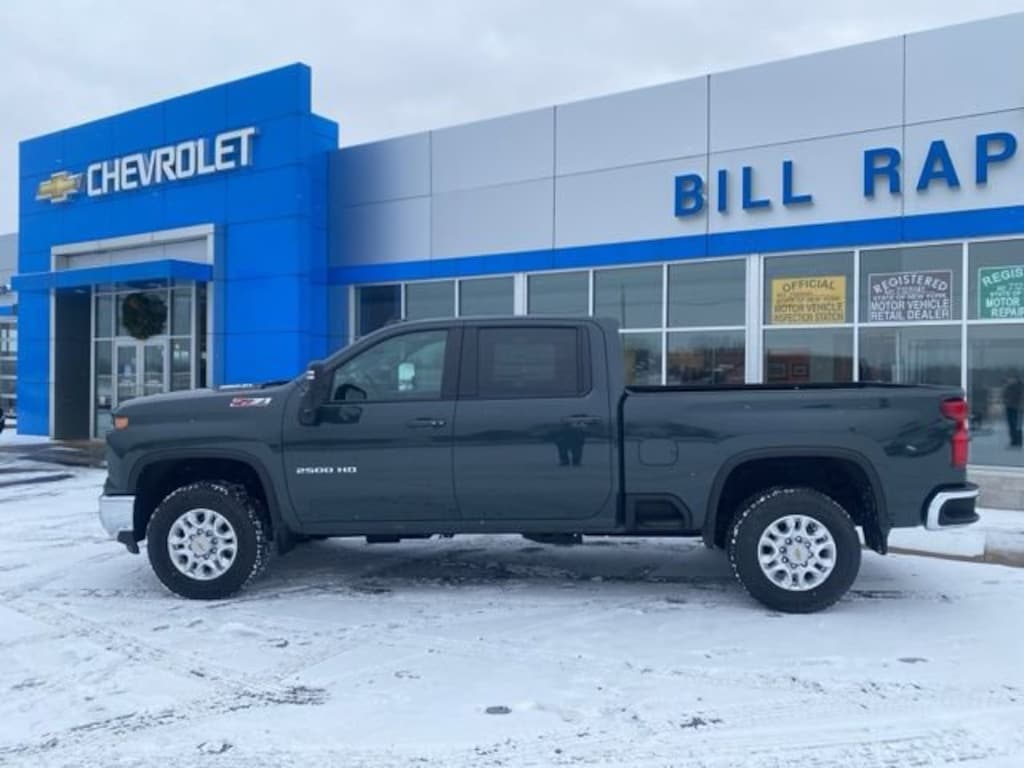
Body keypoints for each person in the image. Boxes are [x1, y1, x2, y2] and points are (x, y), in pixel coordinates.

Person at [1003, 372, 1023, 449]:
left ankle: (1018, 442)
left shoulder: (1020, 386)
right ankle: (1014, 441)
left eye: (1012, 378)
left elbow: (1021, 397)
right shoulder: (1009, 386)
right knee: (1011, 425)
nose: (1010, 380)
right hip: (1010, 407)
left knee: (1017, 425)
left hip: (1017, 408)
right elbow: (1005, 395)